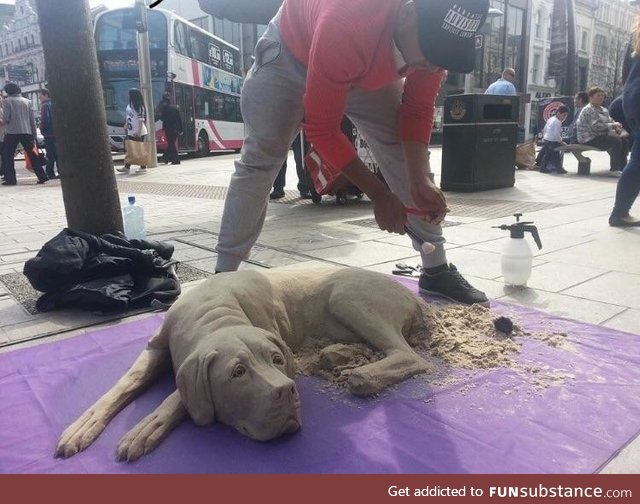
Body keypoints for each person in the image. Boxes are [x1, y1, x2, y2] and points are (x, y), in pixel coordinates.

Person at [215, 0, 491, 306]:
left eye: (445, 55)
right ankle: (223, 279)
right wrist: (379, 194)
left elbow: (416, 111)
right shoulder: (348, 19)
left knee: (400, 145)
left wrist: (418, 181)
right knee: (261, 160)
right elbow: (321, 128)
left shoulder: (434, 47)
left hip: (358, 61)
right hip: (292, 53)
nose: (432, 65)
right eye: (430, 50)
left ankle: (436, 267)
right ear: (409, 11)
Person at [609, 18, 640, 227]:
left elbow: (624, 74)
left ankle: (620, 213)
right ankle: (619, 213)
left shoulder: (635, 36)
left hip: (632, 99)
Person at [0, 82, 48, 186]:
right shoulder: (28, 101)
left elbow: (6, 119)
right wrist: (34, 136)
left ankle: (11, 179)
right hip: (27, 131)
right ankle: (42, 176)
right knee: (32, 155)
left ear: (8, 91)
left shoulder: (7, 101)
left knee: (8, 156)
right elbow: (32, 120)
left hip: (12, 132)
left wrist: (2, 121)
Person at [576, 87, 628, 175]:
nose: (601, 98)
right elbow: (596, 127)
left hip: (600, 136)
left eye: (602, 96)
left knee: (624, 140)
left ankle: (623, 168)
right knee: (616, 141)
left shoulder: (604, 110)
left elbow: (611, 121)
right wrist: (613, 125)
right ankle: (614, 169)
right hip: (588, 138)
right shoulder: (588, 110)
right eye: (598, 95)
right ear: (591, 97)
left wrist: (617, 127)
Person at [117, 88, 148, 173]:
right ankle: (127, 167)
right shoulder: (129, 105)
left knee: (139, 149)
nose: (128, 96)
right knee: (129, 149)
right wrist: (126, 123)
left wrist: (138, 131)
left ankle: (143, 167)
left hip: (139, 131)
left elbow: (141, 120)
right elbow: (129, 116)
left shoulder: (140, 106)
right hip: (130, 130)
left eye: (129, 94)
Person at [537, 106, 569, 174]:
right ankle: (559, 169)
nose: (564, 117)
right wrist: (561, 141)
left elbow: (545, 128)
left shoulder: (551, 119)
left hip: (547, 139)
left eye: (566, 116)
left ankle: (543, 168)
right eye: (564, 115)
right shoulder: (558, 122)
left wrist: (544, 137)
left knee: (547, 155)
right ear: (558, 113)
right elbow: (556, 134)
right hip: (552, 141)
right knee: (555, 155)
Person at [156, 93, 183, 165]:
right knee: (171, 144)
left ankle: (176, 160)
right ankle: (165, 158)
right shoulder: (175, 108)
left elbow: (161, 118)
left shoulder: (164, 109)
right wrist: (181, 129)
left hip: (168, 129)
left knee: (171, 144)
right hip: (176, 129)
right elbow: (179, 119)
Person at [39, 89, 59, 179]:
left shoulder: (45, 106)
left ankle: (50, 172)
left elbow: (45, 120)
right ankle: (60, 171)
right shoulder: (55, 104)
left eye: (41, 95)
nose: (39, 98)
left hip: (49, 133)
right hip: (57, 133)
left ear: (46, 95)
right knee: (57, 153)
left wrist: (42, 129)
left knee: (50, 154)